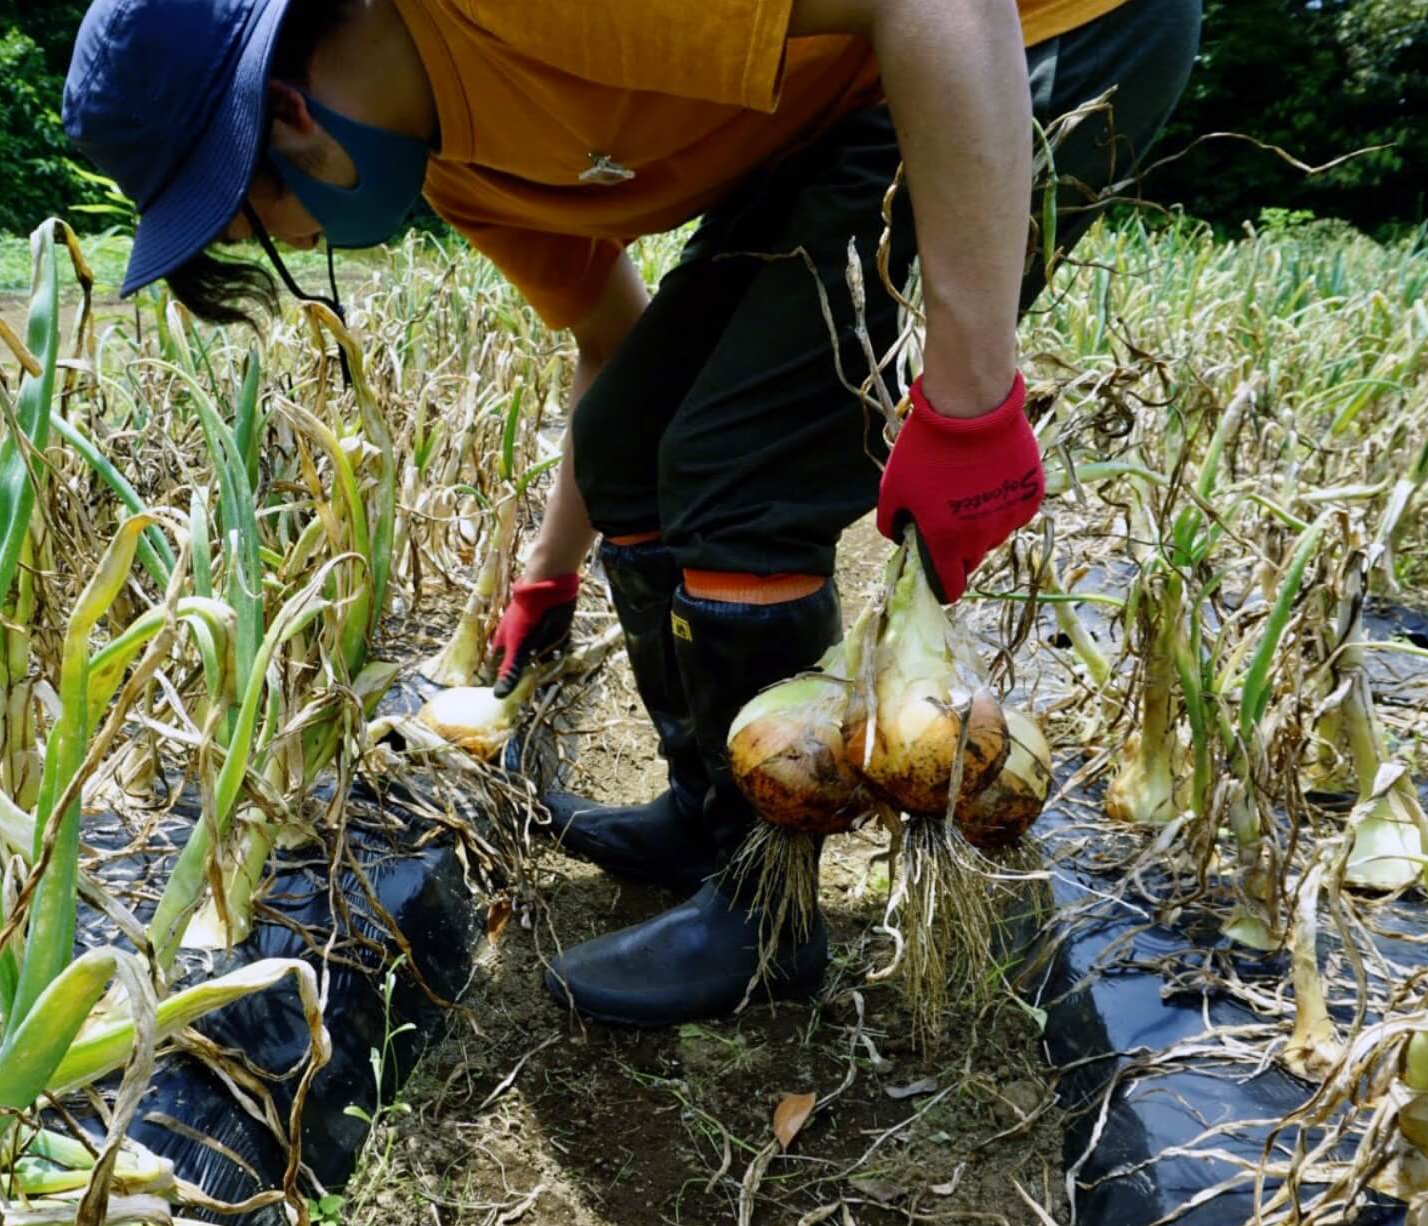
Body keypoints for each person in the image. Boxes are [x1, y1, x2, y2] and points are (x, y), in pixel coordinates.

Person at [65, 0, 1201, 1027]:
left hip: (1036, 37)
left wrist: (968, 399)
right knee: (630, 439)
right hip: (870, 91)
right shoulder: (466, 173)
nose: (292, 244)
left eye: (247, 214)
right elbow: (610, 348)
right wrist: (545, 575)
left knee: (738, 472)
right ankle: (713, 812)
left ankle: (770, 918)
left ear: (291, 118)